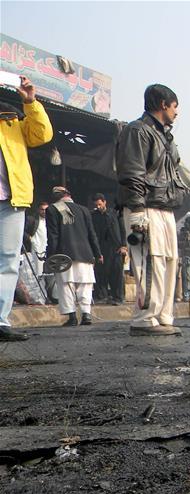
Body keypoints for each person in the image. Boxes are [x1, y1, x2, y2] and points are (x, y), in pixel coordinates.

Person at [116, 84, 188, 336]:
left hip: (165, 207)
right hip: (144, 206)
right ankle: (145, 317)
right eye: (175, 106)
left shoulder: (165, 136)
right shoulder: (137, 131)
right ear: (163, 104)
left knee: (169, 262)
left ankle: (163, 315)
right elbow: (132, 171)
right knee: (150, 260)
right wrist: (136, 210)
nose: (177, 112)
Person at [0, 75, 53, 341]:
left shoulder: (11, 119)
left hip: (10, 200)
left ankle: (0, 321)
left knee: (8, 260)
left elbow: (42, 134)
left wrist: (31, 102)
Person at [46, 186, 102, 326]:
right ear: (69, 195)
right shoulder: (83, 209)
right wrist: (97, 253)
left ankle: (72, 317)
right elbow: (92, 234)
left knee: (66, 285)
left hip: (64, 254)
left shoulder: (53, 209)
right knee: (85, 284)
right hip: (85, 253)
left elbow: (53, 236)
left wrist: (51, 256)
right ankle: (86, 314)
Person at [91, 193, 127, 305]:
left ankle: (118, 297)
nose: (99, 207)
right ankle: (102, 296)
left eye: (100, 204)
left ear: (104, 202)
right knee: (101, 273)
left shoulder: (114, 213)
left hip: (116, 248)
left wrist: (124, 246)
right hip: (102, 248)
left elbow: (122, 229)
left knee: (117, 273)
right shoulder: (94, 216)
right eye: (97, 205)